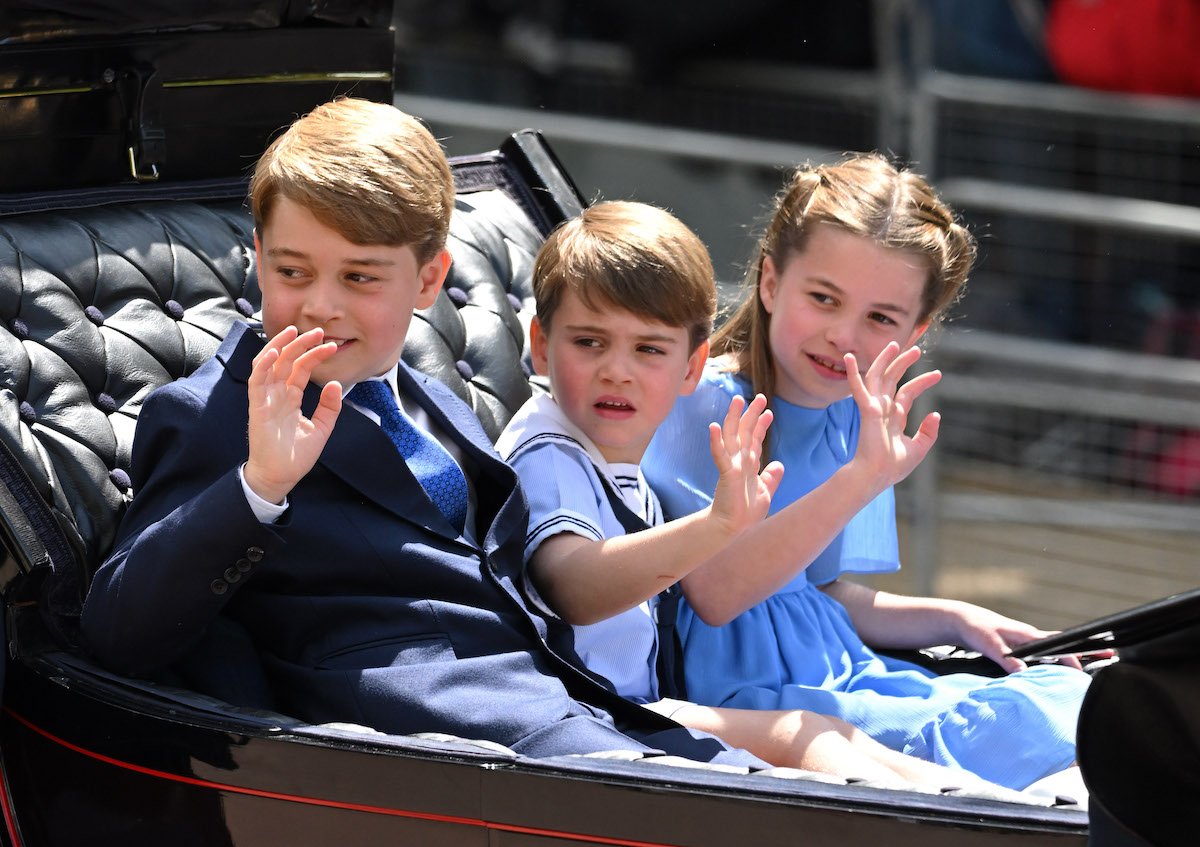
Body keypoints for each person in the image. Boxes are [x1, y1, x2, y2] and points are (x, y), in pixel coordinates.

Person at [78, 97, 772, 768]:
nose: (320, 303)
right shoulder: (215, 413)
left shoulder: (432, 398)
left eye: (359, 276)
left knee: (794, 784)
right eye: (292, 271)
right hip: (423, 743)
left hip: (558, 702)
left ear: (429, 278)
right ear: (257, 256)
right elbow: (118, 631)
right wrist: (260, 486)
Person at [495, 200, 1001, 789]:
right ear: (540, 343)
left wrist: (953, 616)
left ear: (689, 366)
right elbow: (574, 588)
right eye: (589, 342)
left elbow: (818, 590)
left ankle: (999, 808)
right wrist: (717, 524)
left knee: (836, 736)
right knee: (800, 734)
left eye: (649, 350)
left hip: (632, 702)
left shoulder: (608, 449)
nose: (618, 371)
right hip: (592, 714)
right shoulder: (552, 450)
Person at [642, 153, 1092, 792]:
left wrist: (959, 618)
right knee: (1042, 727)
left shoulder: (854, 417)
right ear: (770, 283)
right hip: (758, 700)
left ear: (917, 330)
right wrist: (860, 477)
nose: (844, 335)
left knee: (1073, 689)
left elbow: (818, 593)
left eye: (881, 318)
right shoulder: (706, 404)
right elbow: (714, 597)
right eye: (823, 299)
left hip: (849, 672)